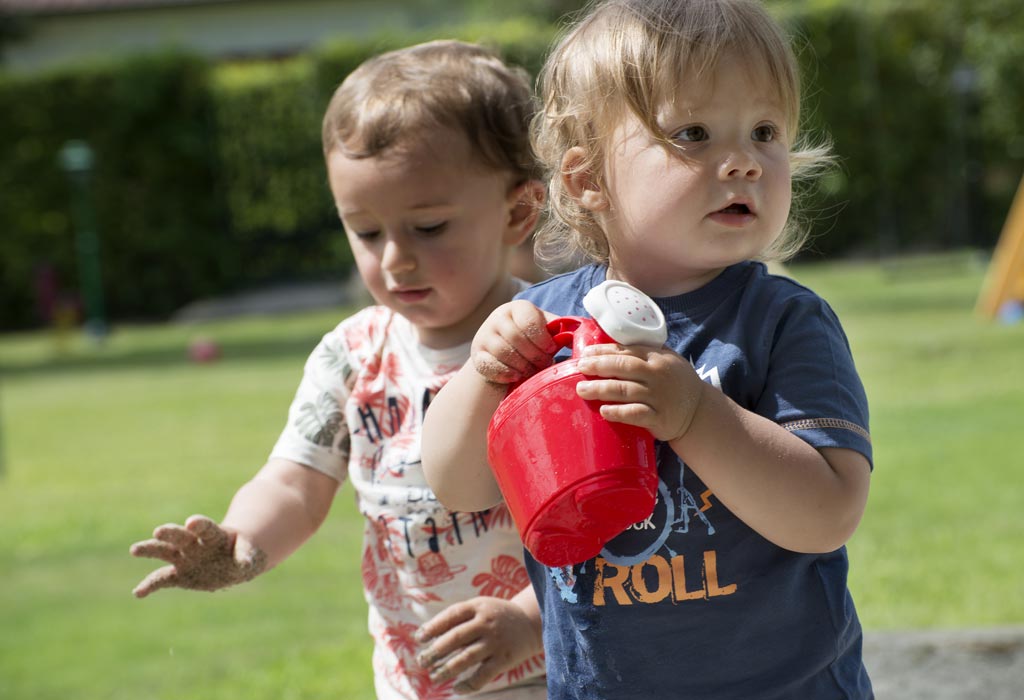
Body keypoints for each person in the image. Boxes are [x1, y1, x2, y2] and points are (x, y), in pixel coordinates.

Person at [421, 1, 874, 698]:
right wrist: (486, 376)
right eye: (694, 133)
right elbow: (458, 485)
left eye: (765, 132)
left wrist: (696, 414)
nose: (744, 162)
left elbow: (827, 513)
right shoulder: (545, 324)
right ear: (588, 180)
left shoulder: (782, 322)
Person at [130, 40, 548, 700]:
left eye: (429, 227)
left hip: (552, 670)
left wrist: (530, 620)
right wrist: (243, 542)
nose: (394, 262)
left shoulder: (552, 344)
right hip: (414, 681)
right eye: (367, 232)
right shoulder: (352, 356)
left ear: (518, 212)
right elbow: (295, 482)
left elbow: (612, 521)